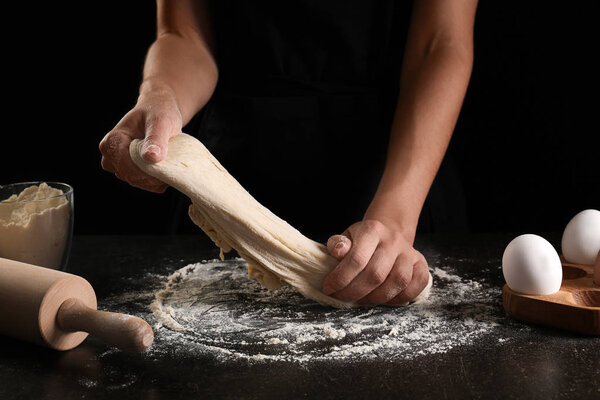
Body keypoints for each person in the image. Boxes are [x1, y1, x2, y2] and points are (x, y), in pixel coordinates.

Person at [100, 0, 478, 305]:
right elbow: (185, 34)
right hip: (235, 166)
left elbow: (440, 43)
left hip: (398, 164)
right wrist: (162, 93)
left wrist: (397, 214)